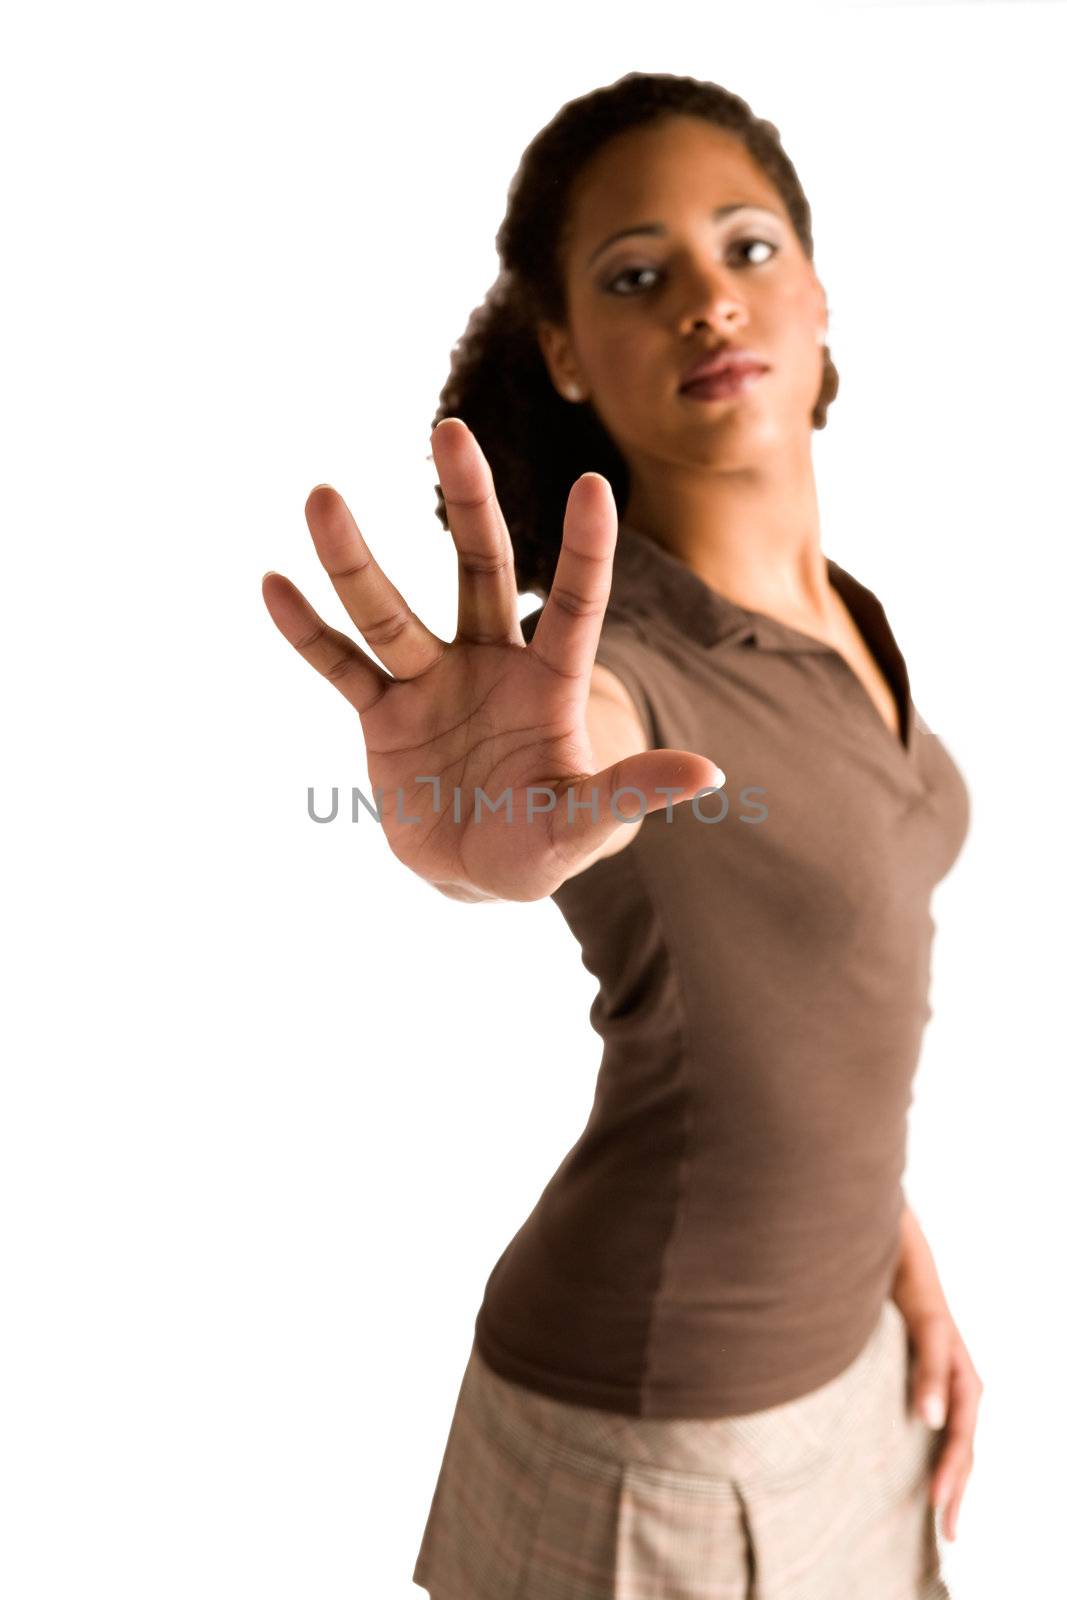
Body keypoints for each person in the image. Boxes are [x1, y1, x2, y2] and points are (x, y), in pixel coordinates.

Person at [262, 69, 983, 1600]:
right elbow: (578, 754)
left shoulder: (848, 613)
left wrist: (899, 1266)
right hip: (652, 1449)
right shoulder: (619, 664)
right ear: (566, 353)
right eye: (639, 278)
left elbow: (805, 1024)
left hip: (856, 1379)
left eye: (747, 247)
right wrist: (484, 826)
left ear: (820, 291)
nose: (710, 302)